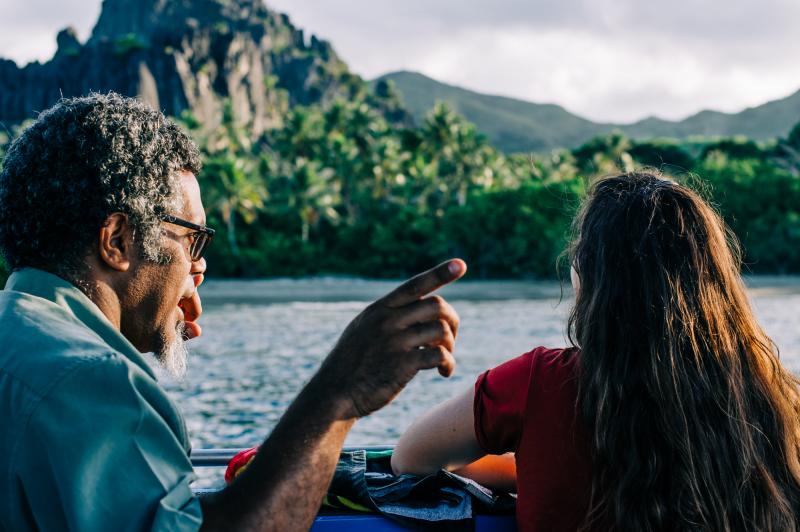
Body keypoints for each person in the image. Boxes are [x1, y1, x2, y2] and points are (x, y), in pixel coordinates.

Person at [0, 93, 466, 531]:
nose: (198, 266)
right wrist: (340, 392)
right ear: (118, 240)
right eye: (191, 238)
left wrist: (144, 326)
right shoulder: (91, 381)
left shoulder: (23, 342)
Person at [392, 172, 800, 531]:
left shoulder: (539, 382)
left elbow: (411, 458)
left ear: (588, 278)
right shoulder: (773, 394)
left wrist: (533, 470)